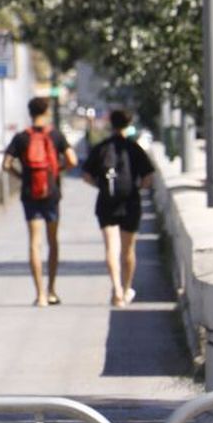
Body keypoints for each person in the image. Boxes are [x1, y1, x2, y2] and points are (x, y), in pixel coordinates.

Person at [3, 96, 78, 307]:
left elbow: (6, 164)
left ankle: (40, 295)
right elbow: (73, 160)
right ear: (46, 112)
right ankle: (52, 289)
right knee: (52, 242)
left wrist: (22, 177)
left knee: (34, 244)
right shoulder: (55, 135)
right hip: (52, 194)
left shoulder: (21, 138)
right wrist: (57, 171)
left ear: (30, 113)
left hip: (30, 193)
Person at [81, 109, 157, 307]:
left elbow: (87, 176)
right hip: (130, 203)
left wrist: (102, 186)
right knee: (128, 250)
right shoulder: (134, 148)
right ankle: (126, 288)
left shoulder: (101, 148)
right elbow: (148, 178)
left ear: (111, 124)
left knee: (110, 248)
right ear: (129, 123)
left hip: (106, 203)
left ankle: (115, 290)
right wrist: (137, 187)